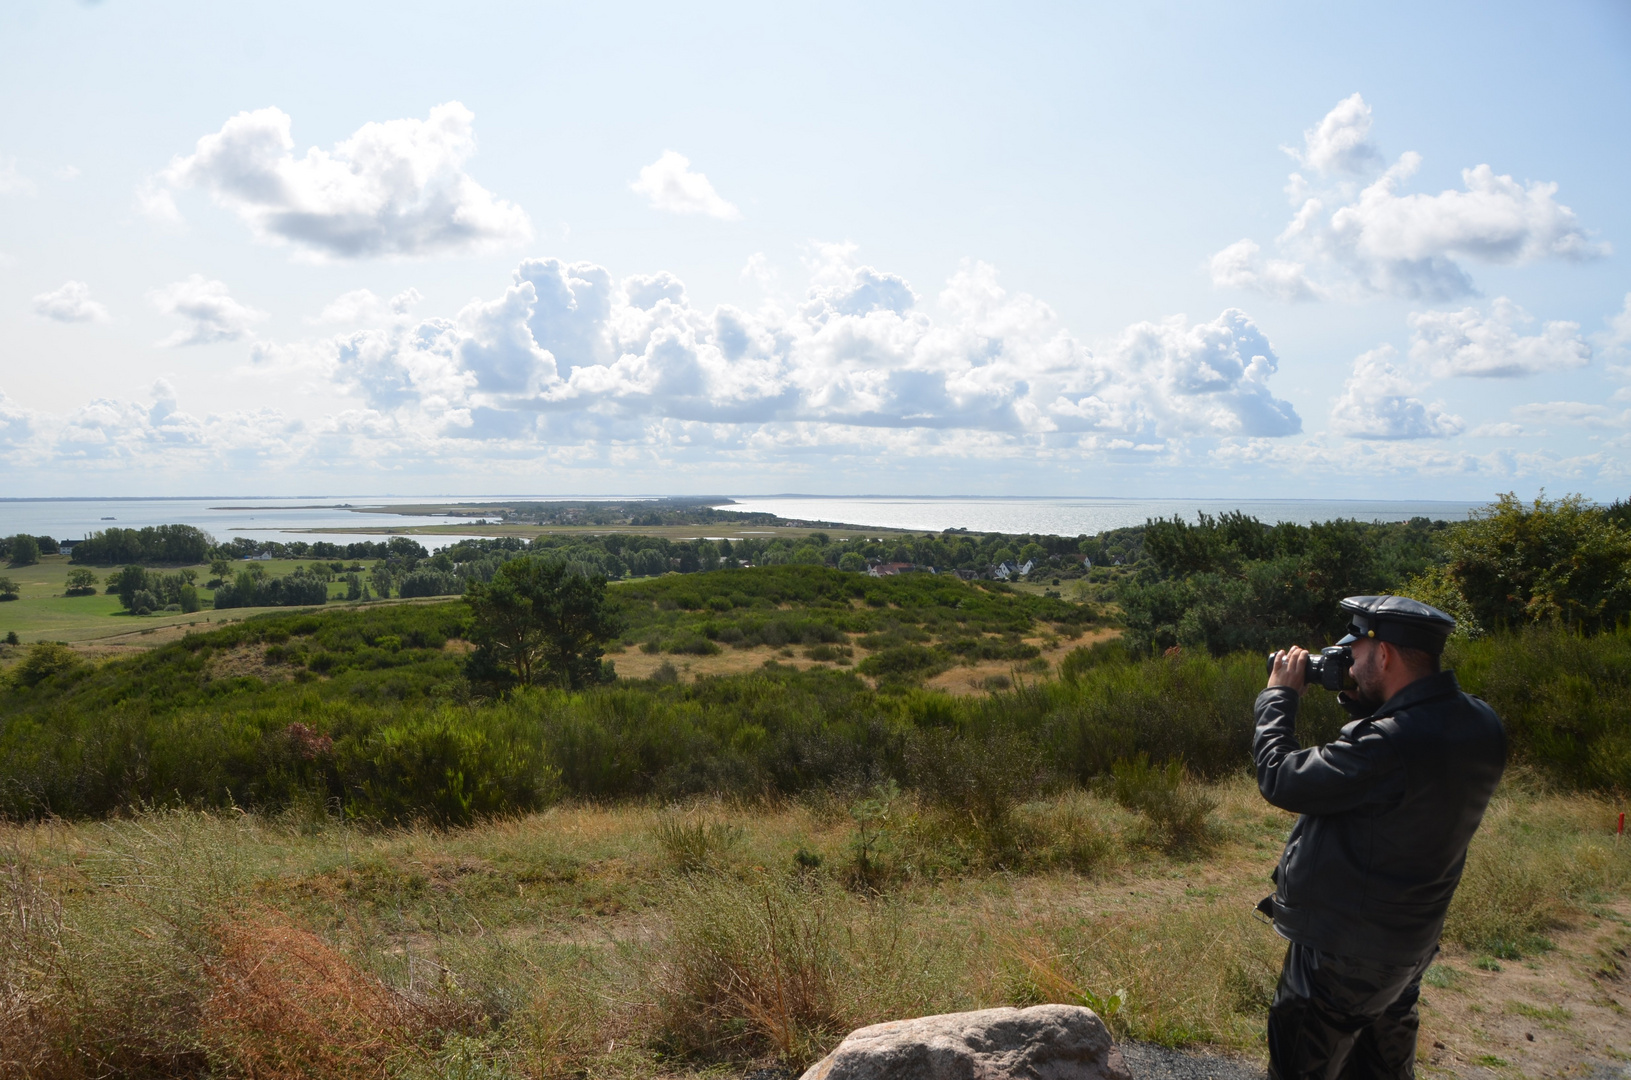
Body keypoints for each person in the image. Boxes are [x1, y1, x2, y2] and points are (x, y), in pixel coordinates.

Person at [1256, 595, 1505, 1079]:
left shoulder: (1389, 743)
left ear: (1385, 654)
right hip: (1406, 948)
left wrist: (1278, 698)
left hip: (1342, 957)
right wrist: (1360, 694)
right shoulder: (1481, 723)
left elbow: (1280, 776)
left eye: (1356, 652)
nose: (1347, 660)